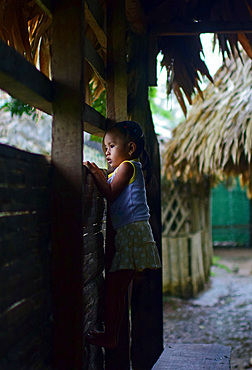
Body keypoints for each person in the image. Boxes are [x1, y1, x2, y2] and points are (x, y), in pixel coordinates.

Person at [84, 121, 161, 349]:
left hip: (133, 235)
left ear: (130, 148)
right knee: (116, 290)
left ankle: (111, 337)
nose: (106, 152)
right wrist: (101, 173)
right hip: (130, 234)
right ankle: (112, 336)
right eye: (104, 147)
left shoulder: (128, 166)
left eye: (111, 146)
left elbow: (109, 193)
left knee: (115, 290)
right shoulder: (122, 169)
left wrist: (94, 171)